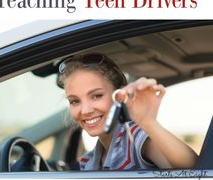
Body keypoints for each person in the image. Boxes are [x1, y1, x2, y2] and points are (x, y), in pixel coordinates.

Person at [55, 53, 198, 170]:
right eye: (75, 101)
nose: (85, 110)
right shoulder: (87, 161)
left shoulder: (134, 138)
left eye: (97, 96)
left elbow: (193, 167)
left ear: (119, 95)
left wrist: (149, 123)